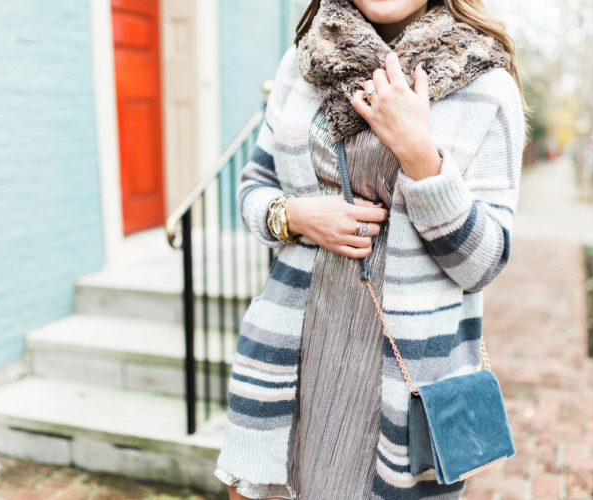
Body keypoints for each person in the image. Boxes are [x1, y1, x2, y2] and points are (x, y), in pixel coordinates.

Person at [214, 0, 527, 498]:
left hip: (404, 379)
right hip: (292, 364)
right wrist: (296, 216)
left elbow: (484, 262)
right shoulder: (305, 61)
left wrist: (420, 156)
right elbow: (255, 185)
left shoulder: (487, 84)